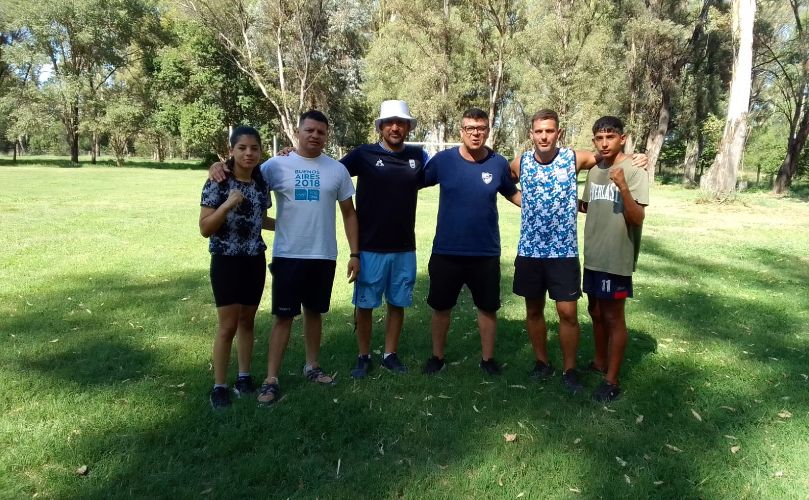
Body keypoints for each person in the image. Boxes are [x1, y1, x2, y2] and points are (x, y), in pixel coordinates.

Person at [213, 110, 360, 405]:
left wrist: (355, 253)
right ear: (298, 131)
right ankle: (271, 379)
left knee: (314, 313)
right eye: (309, 130)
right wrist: (217, 166)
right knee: (283, 316)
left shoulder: (337, 170)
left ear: (326, 134)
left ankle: (312, 366)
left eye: (321, 131)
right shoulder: (276, 165)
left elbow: (349, 213)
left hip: (323, 253)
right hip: (288, 253)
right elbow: (243, 172)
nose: (315, 135)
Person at [510, 109, 646, 393]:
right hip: (530, 251)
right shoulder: (520, 162)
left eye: (549, 131)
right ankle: (541, 362)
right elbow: (501, 181)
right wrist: (524, 201)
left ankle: (569, 370)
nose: (544, 136)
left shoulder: (575, 158)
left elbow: (611, 156)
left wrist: (636, 156)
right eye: (538, 131)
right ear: (531, 134)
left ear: (558, 133)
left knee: (568, 314)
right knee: (533, 311)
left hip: (563, 252)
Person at [421, 108, 521, 376]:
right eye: (470, 128)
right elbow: (411, 182)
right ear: (461, 131)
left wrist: (545, 203)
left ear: (488, 130)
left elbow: (514, 195)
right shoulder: (443, 161)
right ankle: (437, 357)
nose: (476, 133)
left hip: (485, 252)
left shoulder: (498, 163)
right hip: (446, 251)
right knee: (441, 308)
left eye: (481, 128)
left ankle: (488, 360)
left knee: (487, 308)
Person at [340, 100, 429, 378]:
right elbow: (329, 173)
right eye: (389, 122)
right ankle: (363, 356)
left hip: (404, 247)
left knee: (397, 303)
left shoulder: (418, 156)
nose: (395, 127)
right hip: (369, 247)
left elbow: (449, 171)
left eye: (400, 122)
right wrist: (291, 154)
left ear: (407, 127)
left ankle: (390, 354)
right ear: (380, 127)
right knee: (365, 305)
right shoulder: (363, 154)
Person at [199, 126, 274, 409]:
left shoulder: (260, 182)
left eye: (254, 148)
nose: (249, 153)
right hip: (226, 261)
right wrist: (227, 205)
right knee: (227, 326)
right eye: (242, 148)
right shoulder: (218, 182)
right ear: (231, 150)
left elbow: (259, 218)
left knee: (247, 322)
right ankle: (219, 385)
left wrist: (287, 226)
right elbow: (205, 228)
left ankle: (244, 376)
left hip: (254, 260)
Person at [579, 116, 649, 402]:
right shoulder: (595, 170)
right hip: (593, 255)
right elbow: (586, 206)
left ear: (623, 138)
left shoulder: (634, 169)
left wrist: (622, 186)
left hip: (616, 257)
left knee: (613, 316)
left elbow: (637, 217)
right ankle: (599, 361)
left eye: (610, 136)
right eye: (599, 137)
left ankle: (612, 380)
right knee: (595, 311)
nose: (604, 142)